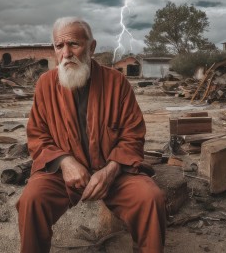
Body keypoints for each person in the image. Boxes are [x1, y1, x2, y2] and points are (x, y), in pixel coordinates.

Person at [16, 17, 166, 253]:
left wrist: (111, 170)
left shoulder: (117, 82)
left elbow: (132, 135)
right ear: (54, 50)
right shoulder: (45, 85)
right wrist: (65, 162)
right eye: (59, 46)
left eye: (74, 44)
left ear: (91, 47)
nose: (66, 53)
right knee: (31, 201)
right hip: (61, 173)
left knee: (150, 198)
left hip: (115, 171)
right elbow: (38, 135)